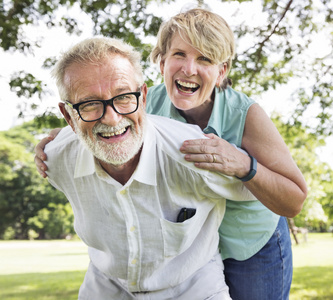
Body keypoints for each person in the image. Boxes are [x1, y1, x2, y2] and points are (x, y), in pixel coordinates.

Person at [35, 8, 307, 299]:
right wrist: (63, 135)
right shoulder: (142, 103)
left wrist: (244, 164)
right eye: (179, 55)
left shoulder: (245, 114)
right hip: (192, 238)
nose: (189, 69)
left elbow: (294, 199)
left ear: (221, 71)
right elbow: (103, 111)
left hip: (248, 239)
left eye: (205, 58)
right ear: (161, 61)